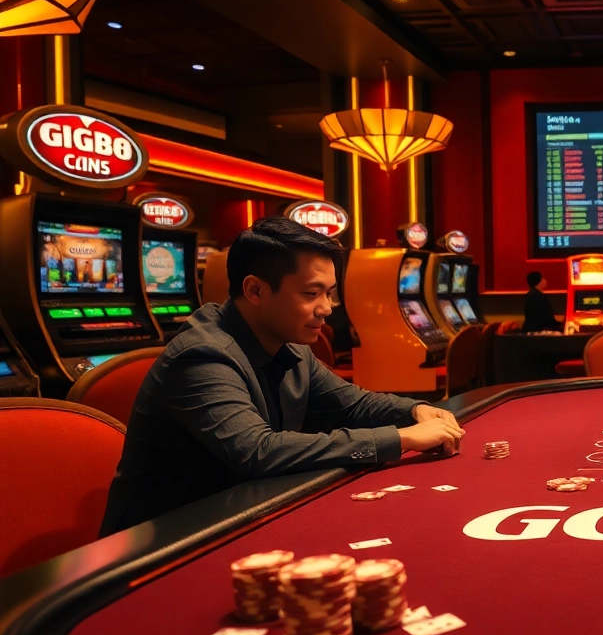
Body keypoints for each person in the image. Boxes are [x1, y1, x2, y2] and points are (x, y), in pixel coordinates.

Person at [99, 218, 465, 536]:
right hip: (163, 546)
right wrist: (401, 438)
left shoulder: (288, 344)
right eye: (311, 293)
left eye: (329, 293)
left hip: (240, 514)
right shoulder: (201, 355)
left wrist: (414, 410)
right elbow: (258, 452)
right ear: (255, 290)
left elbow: (353, 404)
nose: (327, 308)